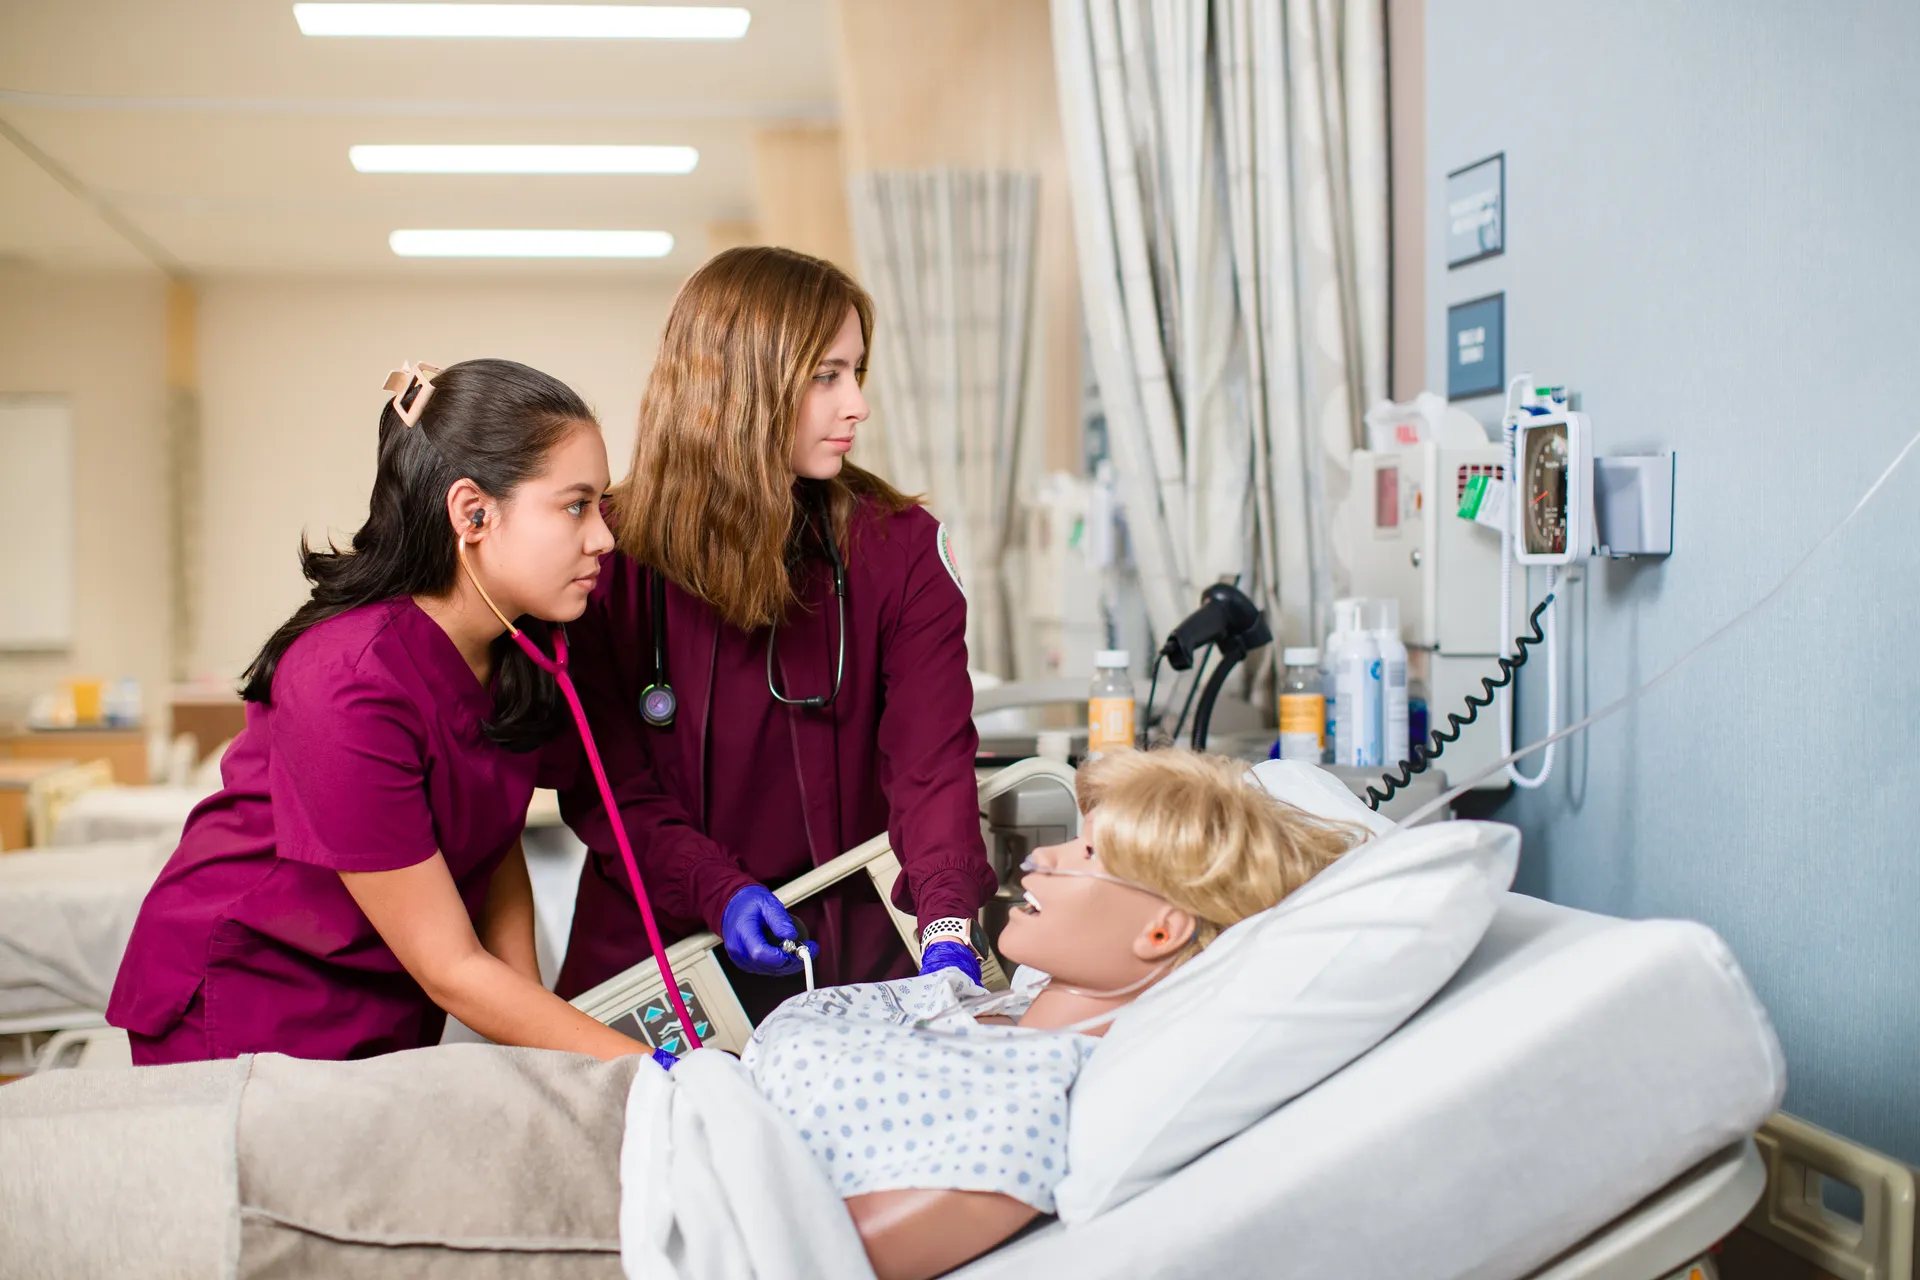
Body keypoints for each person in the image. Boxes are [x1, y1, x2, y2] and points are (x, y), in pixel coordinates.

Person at [7, 750, 1362, 1279]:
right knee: (174, 1118)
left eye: (1087, 853)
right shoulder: (979, 1023)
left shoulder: (1038, 1097)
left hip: (597, 1198)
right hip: (586, 1111)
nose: (1047, 858)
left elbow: (825, 1250)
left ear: (1163, 927)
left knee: (160, 1183)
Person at [106, 358, 662, 1065]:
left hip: (385, 990)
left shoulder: (516, 647)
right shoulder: (348, 680)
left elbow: (493, 840)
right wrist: (648, 1069)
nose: (603, 538)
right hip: (251, 995)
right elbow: (451, 968)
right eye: (575, 505)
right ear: (473, 512)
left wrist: (536, 1019)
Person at [554, 246, 997, 1015]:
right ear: (738, 383)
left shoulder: (899, 550)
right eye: (825, 376)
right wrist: (716, 891)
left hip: (851, 960)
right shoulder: (606, 555)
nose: (856, 404)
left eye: (857, 372)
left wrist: (950, 923)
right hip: (661, 952)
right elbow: (608, 788)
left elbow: (933, 765)